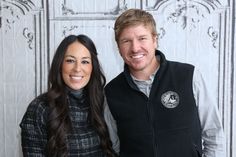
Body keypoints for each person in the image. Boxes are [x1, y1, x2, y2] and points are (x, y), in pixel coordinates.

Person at [104, 9, 226, 157]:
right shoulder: (111, 92)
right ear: (118, 47)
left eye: (142, 38)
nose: (135, 48)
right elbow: (113, 148)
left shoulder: (188, 76)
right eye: (126, 41)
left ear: (155, 40)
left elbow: (214, 135)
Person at [20, 34, 116, 157]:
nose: (77, 68)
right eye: (70, 60)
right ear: (60, 64)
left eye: (85, 61)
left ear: (93, 67)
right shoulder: (39, 108)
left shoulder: (102, 102)